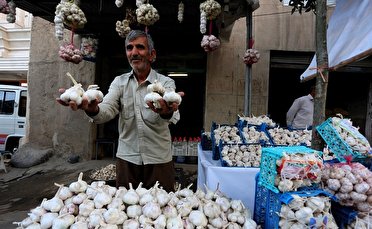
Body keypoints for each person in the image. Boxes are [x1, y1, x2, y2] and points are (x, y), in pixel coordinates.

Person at [57, 30, 184, 192]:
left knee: (162, 209)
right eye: (129, 48)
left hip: (159, 160)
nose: (134, 52)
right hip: (127, 161)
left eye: (140, 47)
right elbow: (107, 109)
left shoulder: (166, 83)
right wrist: (93, 109)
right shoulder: (119, 82)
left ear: (152, 54)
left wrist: (166, 111)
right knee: (125, 211)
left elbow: (172, 115)